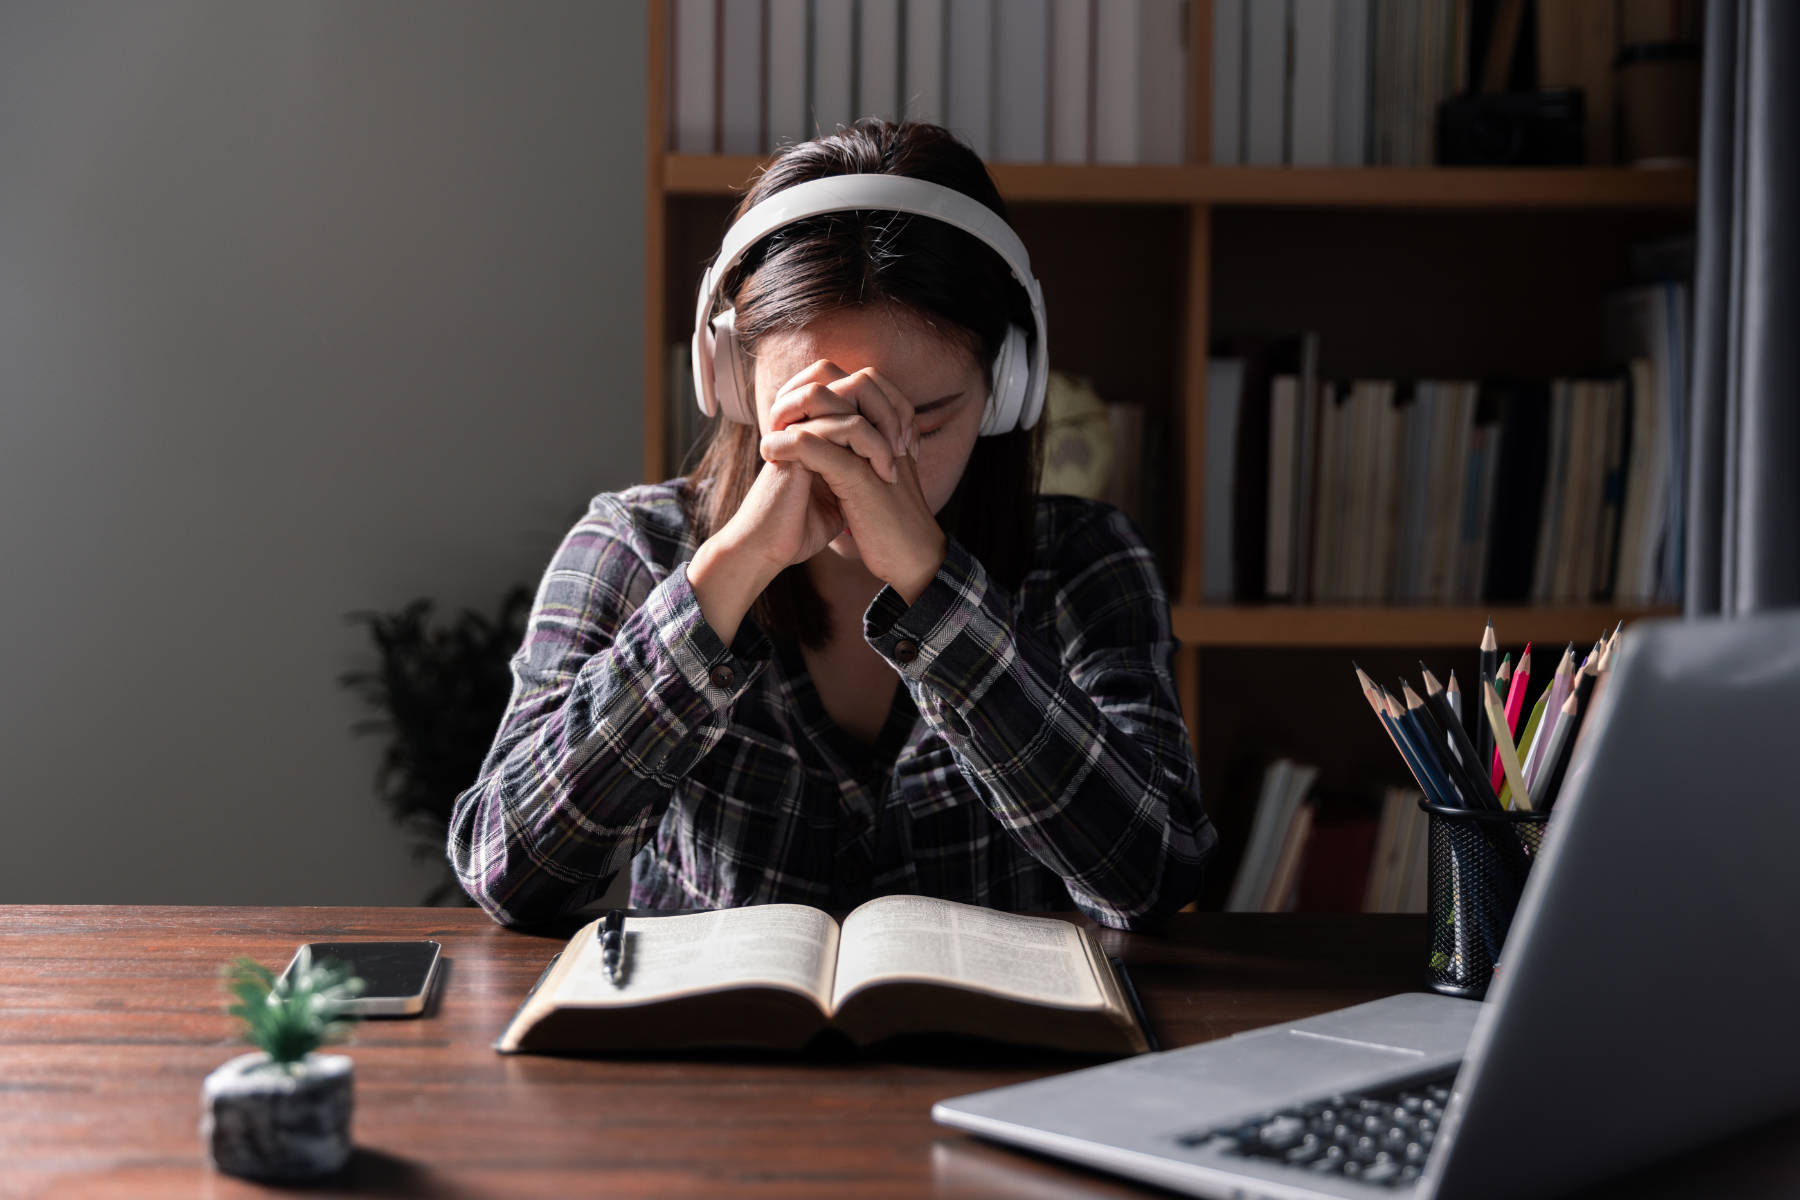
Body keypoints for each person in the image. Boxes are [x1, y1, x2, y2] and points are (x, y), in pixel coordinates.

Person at [447, 119, 1216, 931]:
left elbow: (1154, 876)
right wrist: (731, 572)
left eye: (924, 417)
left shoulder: (1084, 560)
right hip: (714, 1056)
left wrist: (934, 587)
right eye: (817, 415)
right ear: (731, 381)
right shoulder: (636, 547)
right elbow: (508, 872)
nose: (872, 461)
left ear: (1009, 387)